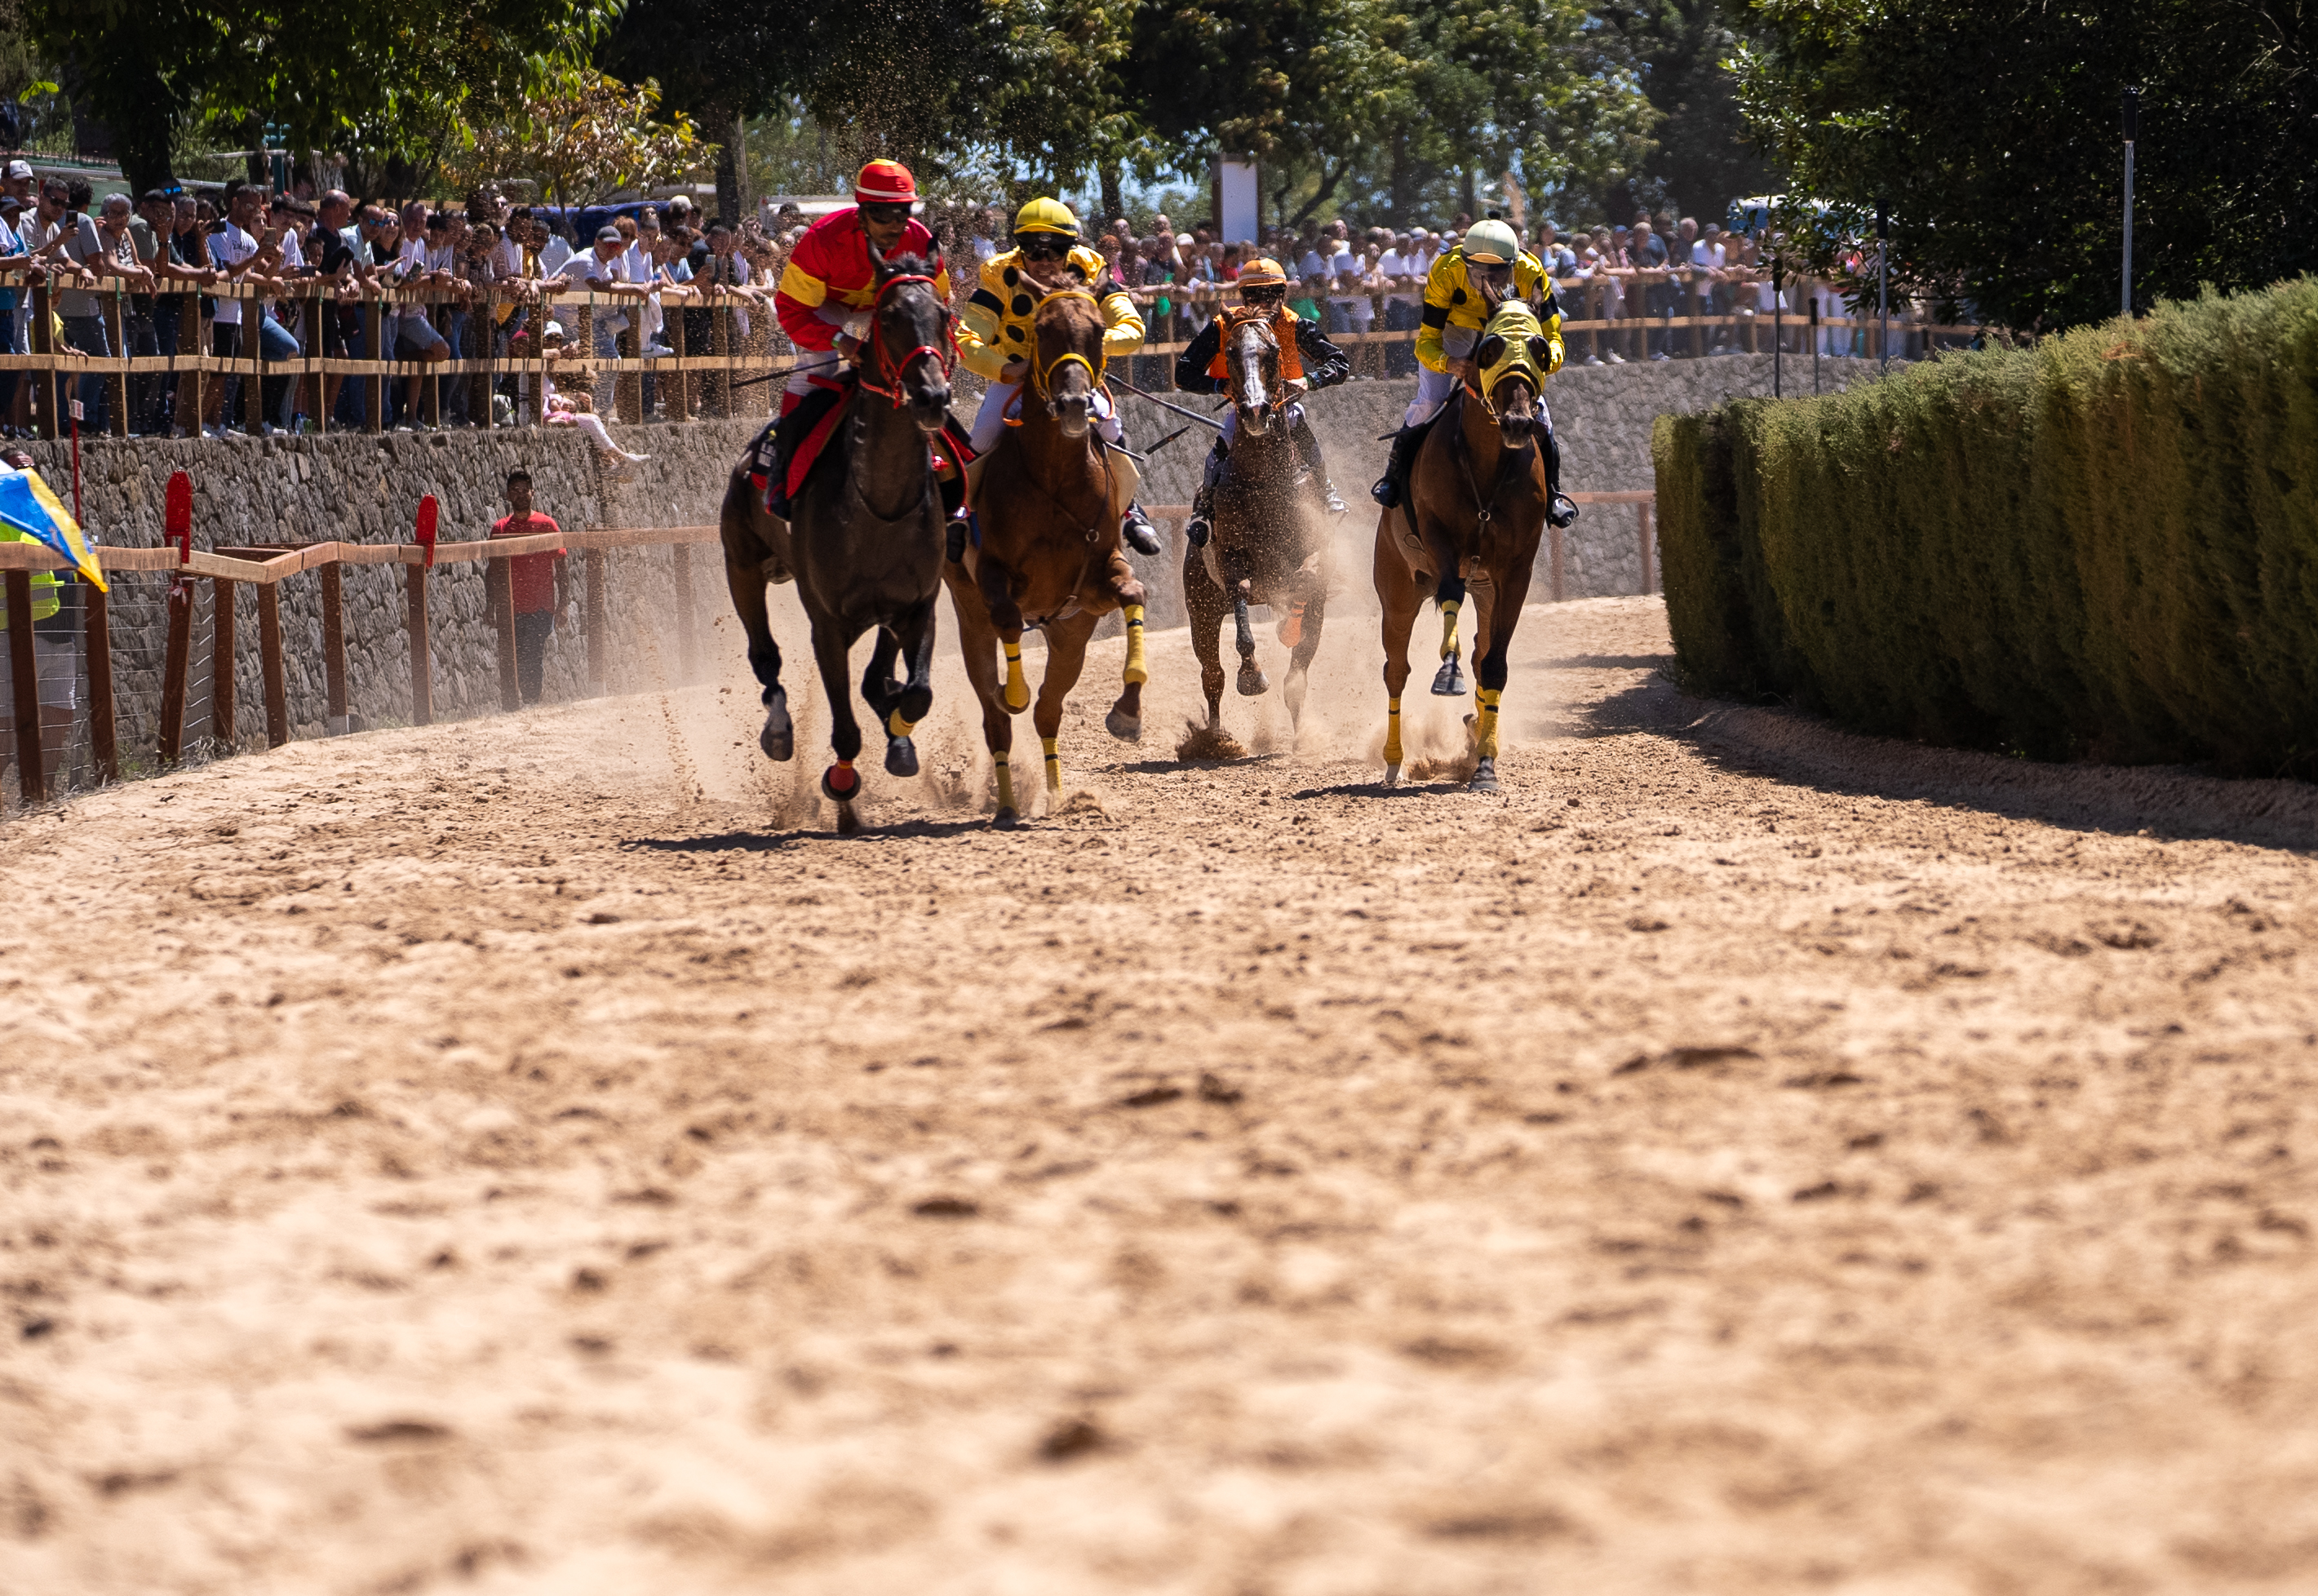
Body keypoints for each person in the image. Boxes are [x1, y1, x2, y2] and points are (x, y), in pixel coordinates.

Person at [955, 195, 1162, 556]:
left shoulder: (1093, 269)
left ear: (1071, 249)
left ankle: (1129, 511)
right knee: (984, 435)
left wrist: (1087, 350)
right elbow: (966, 338)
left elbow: (1133, 328)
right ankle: (960, 511)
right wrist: (1006, 370)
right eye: (1034, 251)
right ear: (1021, 249)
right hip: (1017, 383)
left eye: (1056, 251)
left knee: (1112, 429)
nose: (1044, 261)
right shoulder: (999, 274)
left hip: (1077, 381)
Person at [1370, 217, 1572, 526]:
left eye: (1498, 273)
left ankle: (1554, 492)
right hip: (1457, 331)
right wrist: (1448, 363)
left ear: (1513, 265)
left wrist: (1546, 359)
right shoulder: (1445, 270)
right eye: (1478, 273)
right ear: (1465, 262)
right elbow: (1426, 342)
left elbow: (1554, 337)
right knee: (1430, 400)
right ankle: (1393, 478)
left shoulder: (1531, 272)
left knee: (1539, 411)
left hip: (1508, 334)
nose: (1487, 282)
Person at [1172, 255, 1351, 548]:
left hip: (1283, 405)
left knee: (1302, 430)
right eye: (1255, 294)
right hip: (1242, 407)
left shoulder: (1297, 325)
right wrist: (1220, 385)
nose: (1264, 301)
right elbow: (1183, 373)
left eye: (1272, 294)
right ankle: (1204, 508)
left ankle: (1327, 492)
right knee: (1222, 444)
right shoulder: (1222, 326)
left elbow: (1339, 363)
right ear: (1243, 295)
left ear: (1283, 294)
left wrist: (1310, 380)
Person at [491, 470, 573, 705]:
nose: (521, 495)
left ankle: (531, 700)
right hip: (511, 606)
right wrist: (491, 605)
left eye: (524, 490)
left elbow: (562, 567)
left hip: (541, 605)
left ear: (532, 493)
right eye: (515, 491)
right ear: (508, 495)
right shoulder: (500, 529)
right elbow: (493, 571)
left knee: (532, 652)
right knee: (513, 656)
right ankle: (514, 704)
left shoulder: (546, 525)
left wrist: (563, 604)